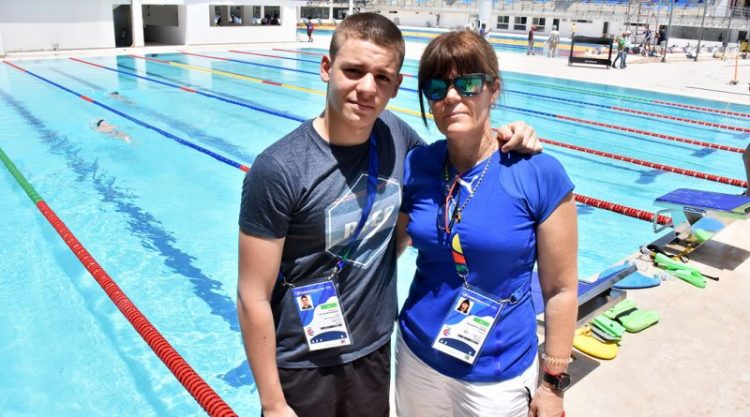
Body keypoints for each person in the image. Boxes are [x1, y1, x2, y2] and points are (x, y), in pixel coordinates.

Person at [237, 14, 542, 417]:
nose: (366, 88)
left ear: (396, 86)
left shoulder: (398, 139)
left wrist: (509, 134)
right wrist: (273, 402)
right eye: (353, 71)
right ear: (327, 69)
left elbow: (460, 161)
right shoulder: (279, 168)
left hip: (375, 350)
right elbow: (251, 295)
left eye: (382, 77)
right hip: (302, 362)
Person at [395, 30, 578, 417]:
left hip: (497, 373)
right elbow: (391, 244)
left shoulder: (538, 173)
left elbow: (561, 290)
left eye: (468, 83)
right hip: (416, 355)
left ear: (493, 90)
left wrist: (553, 385)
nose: (452, 97)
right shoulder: (419, 165)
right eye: (437, 87)